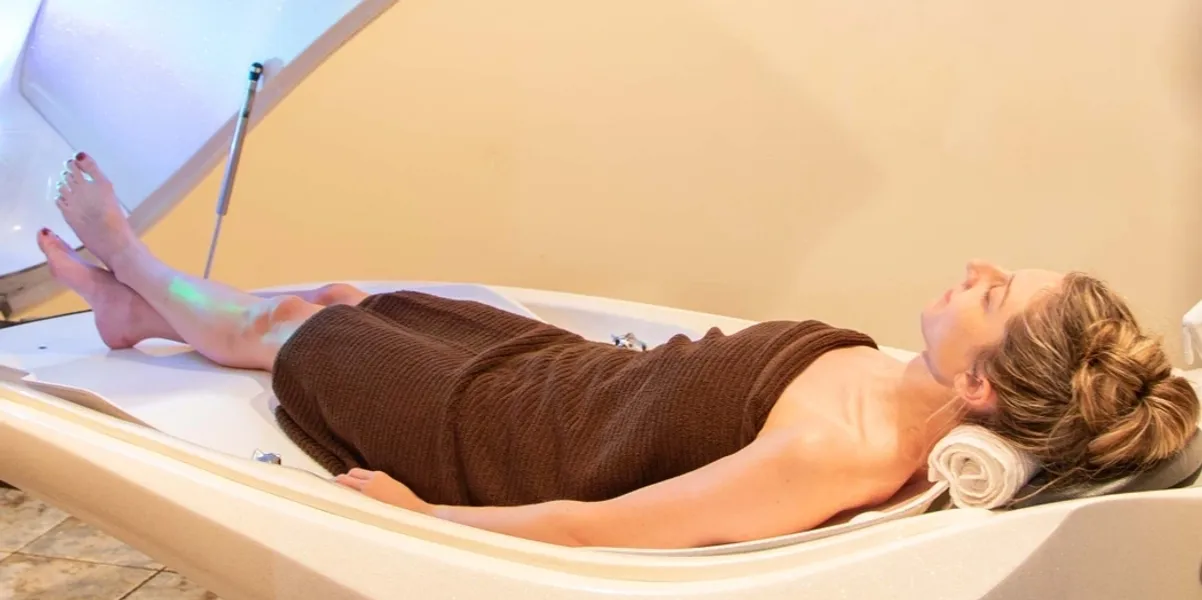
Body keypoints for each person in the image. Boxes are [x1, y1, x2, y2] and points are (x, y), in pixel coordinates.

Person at [39, 151, 1199, 550]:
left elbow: (604, 528)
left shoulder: (841, 450)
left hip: (503, 439)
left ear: (979, 382)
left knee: (308, 328)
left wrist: (416, 520)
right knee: (360, 297)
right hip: (572, 379)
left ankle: (135, 269)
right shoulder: (900, 390)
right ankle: (141, 315)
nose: (973, 264)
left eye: (989, 291)